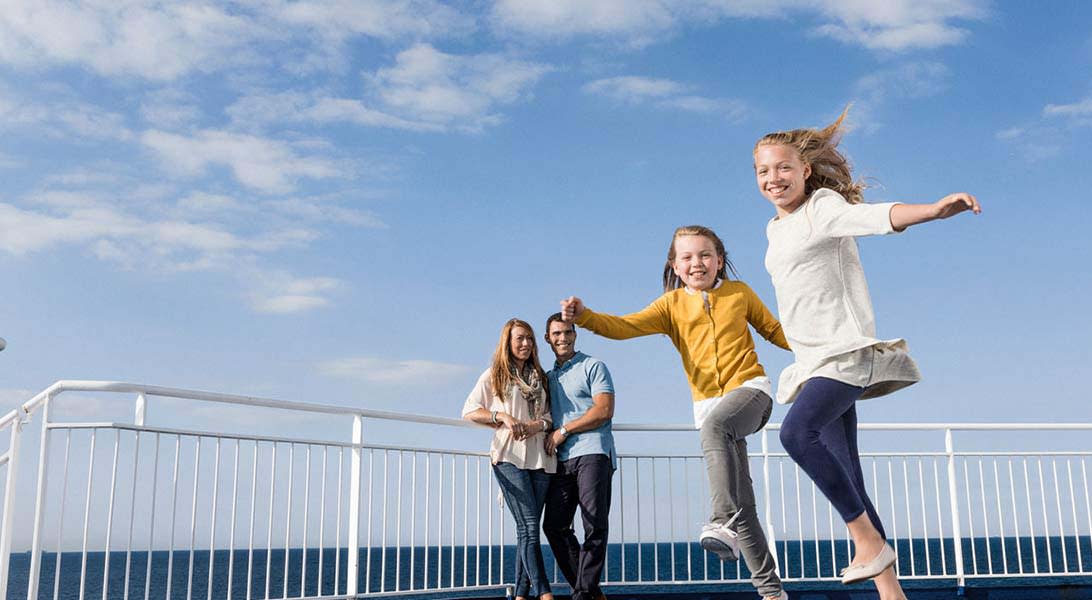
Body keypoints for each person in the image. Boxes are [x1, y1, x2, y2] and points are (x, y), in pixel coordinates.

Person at [753, 107, 981, 599]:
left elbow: (874, 217)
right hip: (812, 360)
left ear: (805, 171)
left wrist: (932, 211)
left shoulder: (823, 207)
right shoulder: (774, 229)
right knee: (848, 472)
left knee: (796, 433)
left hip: (845, 354)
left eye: (783, 168)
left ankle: (865, 541)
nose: (774, 178)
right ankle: (890, 591)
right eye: (763, 171)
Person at [561, 225, 791, 600]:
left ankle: (719, 521)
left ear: (719, 260)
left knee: (717, 434)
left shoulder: (740, 293)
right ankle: (772, 593)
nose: (696, 263)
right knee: (743, 506)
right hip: (711, 410)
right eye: (687, 257)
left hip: (751, 393)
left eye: (705, 255)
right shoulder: (670, 306)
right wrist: (585, 316)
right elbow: (624, 326)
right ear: (675, 265)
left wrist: (820, 342)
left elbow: (776, 331)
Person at [462, 318, 557, 600]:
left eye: (529, 338)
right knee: (529, 526)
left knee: (525, 530)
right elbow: (469, 410)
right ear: (508, 342)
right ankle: (545, 593)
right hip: (508, 457)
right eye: (519, 339)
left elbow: (550, 417)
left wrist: (535, 426)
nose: (526, 343)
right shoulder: (495, 374)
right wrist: (500, 416)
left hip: (541, 457)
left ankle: (520, 593)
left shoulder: (541, 376)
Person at [541, 313, 616, 600]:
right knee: (554, 526)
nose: (563, 338)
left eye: (568, 332)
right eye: (556, 333)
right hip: (562, 460)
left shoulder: (593, 366)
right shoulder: (548, 378)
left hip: (594, 451)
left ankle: (583, 594)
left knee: (594, 524)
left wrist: (565, 430)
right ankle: (591, 592)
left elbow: (604, 410)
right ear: (548, 339)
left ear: (575, 334)